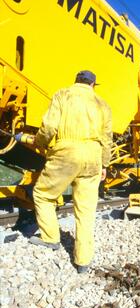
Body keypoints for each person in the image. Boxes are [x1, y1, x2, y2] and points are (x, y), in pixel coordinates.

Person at [18, 70, 112, 273]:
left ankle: (51, 238)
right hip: (94, 156)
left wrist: (39, 142)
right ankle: (83, 262)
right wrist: (105, 164)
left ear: (76, 81)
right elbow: (107, 138)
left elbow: (50, 126)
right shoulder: (102, 104)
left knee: (43, 195)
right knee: (86, 211)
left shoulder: (63, 94)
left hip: (67, 153)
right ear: (93, 85)